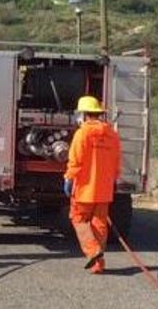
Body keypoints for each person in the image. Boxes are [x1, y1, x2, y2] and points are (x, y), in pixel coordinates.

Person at [64, 95, 121, 274]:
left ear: (84, 114)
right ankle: (98, 264)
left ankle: (93, 251)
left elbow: (75, 161)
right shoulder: (112, 134)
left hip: (84, 189)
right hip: (104, 189)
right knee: (99, 223)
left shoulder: (82, 134)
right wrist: (112, 181)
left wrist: (69, 178)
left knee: (78, 218)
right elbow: (117, 162)